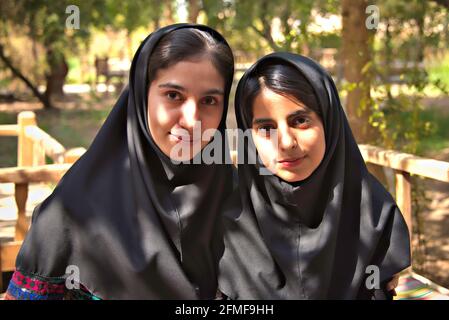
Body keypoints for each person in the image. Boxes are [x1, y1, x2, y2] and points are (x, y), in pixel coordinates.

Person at [5, 23, 235, 300]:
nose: (191, 120)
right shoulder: (74, 210)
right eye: (173, 95)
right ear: (141, 95)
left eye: (209, 100)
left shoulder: (239, 199)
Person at [218, 52, 410, 299]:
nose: (285, 142)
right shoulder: (228, 221)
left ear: (329, 121)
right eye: (266, 128)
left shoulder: (374, 215)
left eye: (300, 120)